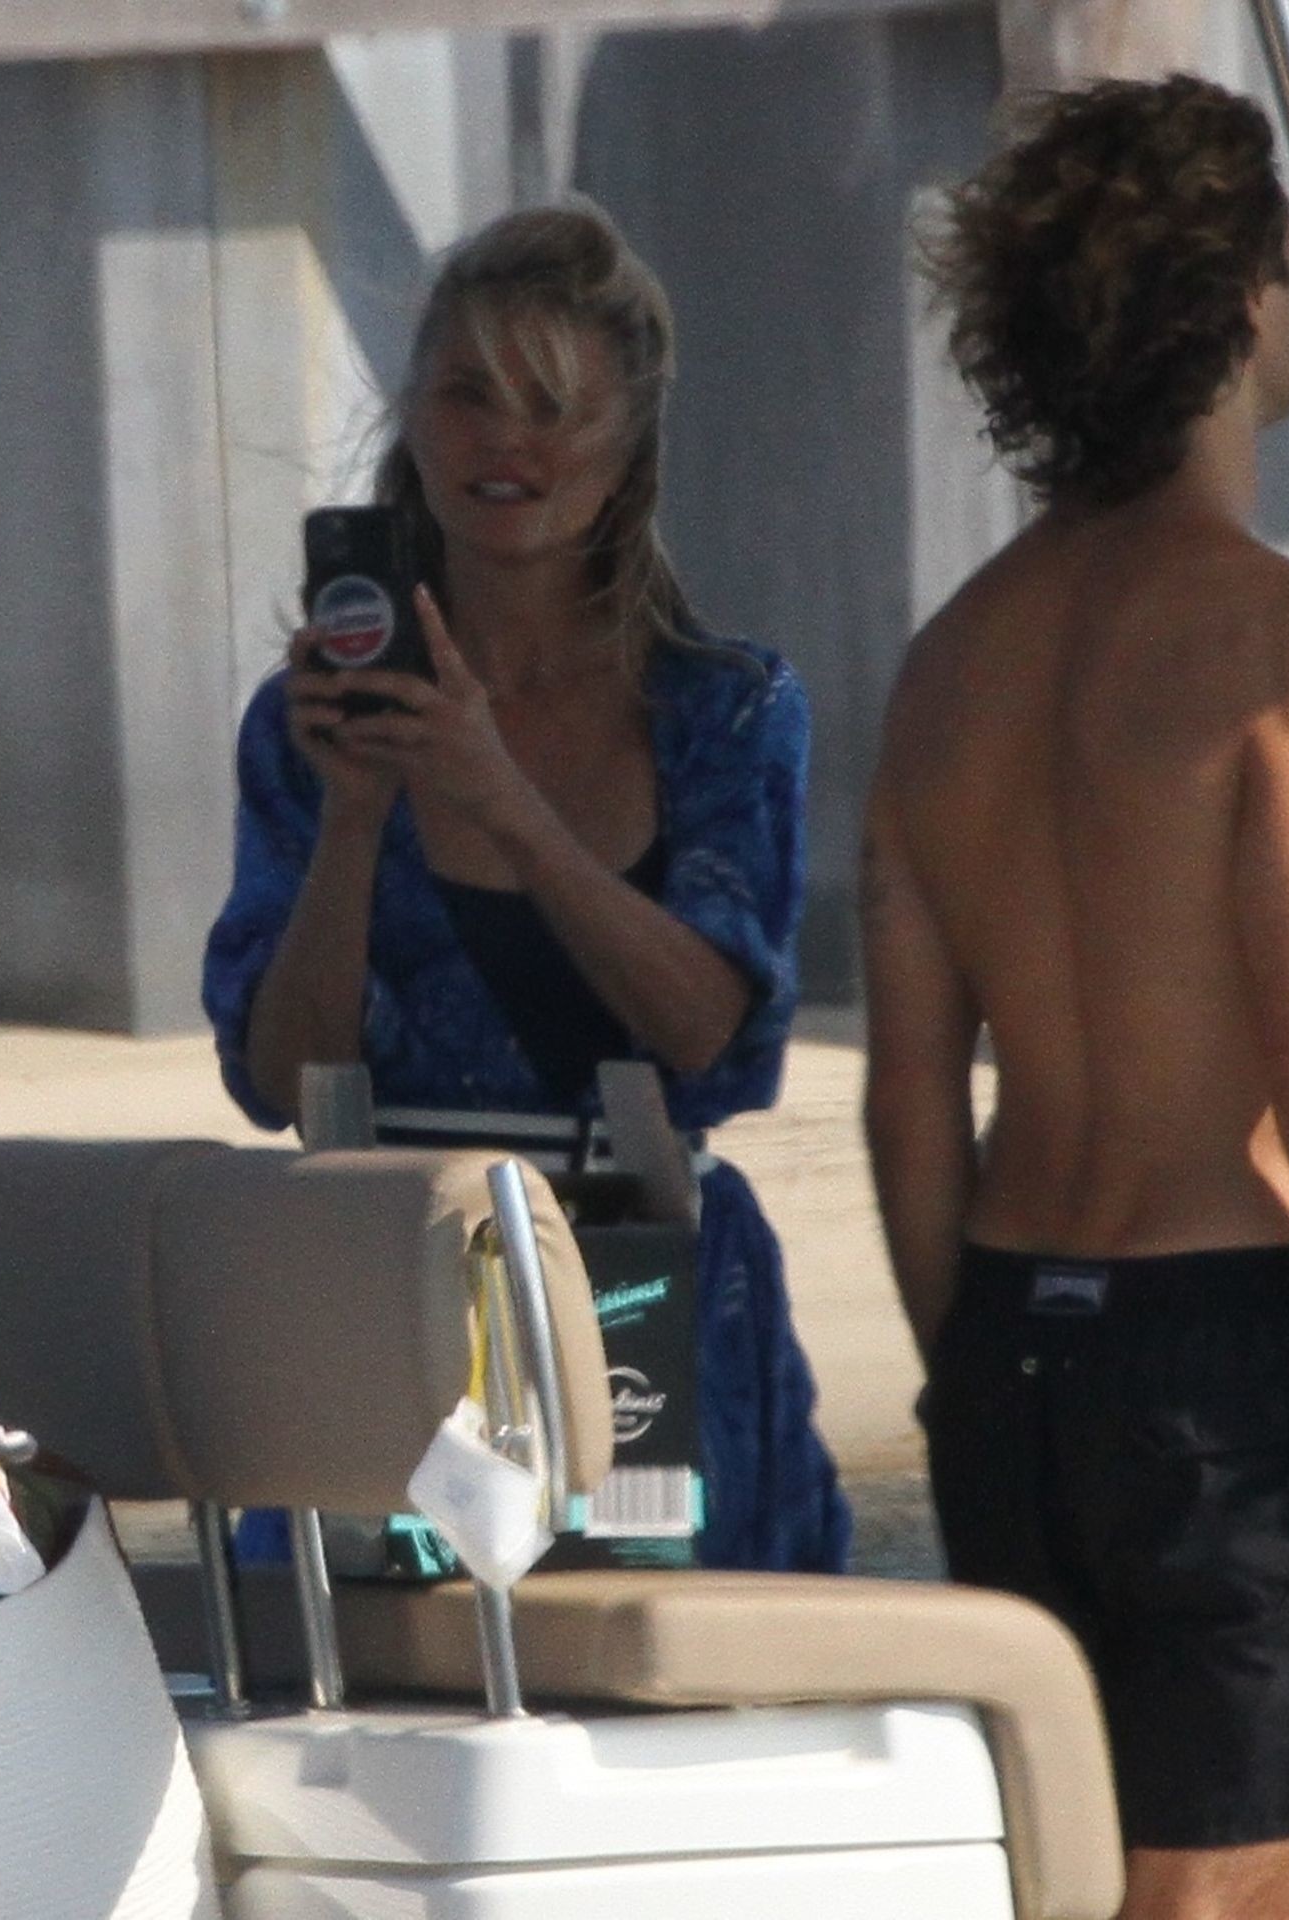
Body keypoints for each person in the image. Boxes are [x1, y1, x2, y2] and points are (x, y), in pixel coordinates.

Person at [860, 77, 1289, 1920]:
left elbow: (910, 1098)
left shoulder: (947, 671)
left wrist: (979, 1377)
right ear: (1244, 297)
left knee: (1078, 1879)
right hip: (1219, 1361)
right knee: (1221, 1897)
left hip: (1013, 1346)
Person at [204, 203, 849, 1576]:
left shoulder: (724, 712)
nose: (509, 442)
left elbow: (708, 1030)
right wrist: (355, 820)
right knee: (385, 1666)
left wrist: (499, 796)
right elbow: (281, 1081)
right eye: (470, 395)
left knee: (645, 1658)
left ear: (628, 448)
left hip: (637, 1270)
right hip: (392, 1269)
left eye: (556, 406)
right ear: (413, 422)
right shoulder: (304, 726)